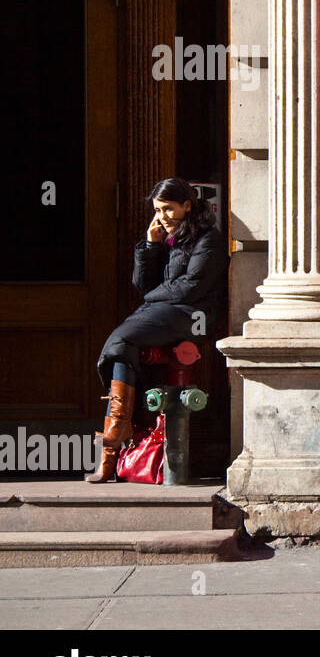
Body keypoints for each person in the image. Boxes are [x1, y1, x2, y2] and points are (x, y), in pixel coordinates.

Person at [85, 177, 227, 482]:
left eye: (168, 209)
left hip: (193, 316)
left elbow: (190, 288)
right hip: (164, 311)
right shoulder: (169, 238)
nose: (163, 216)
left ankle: (116, 433)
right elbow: (143, 284)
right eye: (158, 210)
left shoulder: (207, 240)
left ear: (187, 206)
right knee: (123, 349)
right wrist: (150, 245)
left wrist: (151, 297)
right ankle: (113, 445)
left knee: (121, 337)